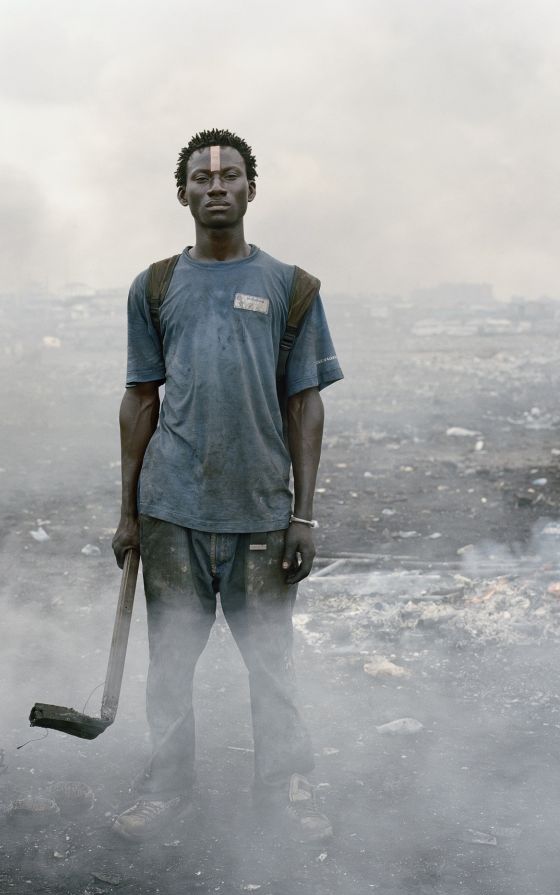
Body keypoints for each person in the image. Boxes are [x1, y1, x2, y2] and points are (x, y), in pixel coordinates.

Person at [111, 129, 343, 842]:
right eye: (202, 177)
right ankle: (167, 790)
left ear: (251, 189)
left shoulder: (292, 288)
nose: (216, 186)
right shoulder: (155, 286)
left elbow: (305, 404)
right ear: (182, 193)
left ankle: (286, 789)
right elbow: (140, 400)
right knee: (170, 664)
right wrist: (128, 514)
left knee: (270, 664)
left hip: (261, 514)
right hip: (172, 511)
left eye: (230, 175)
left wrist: (304, 516)